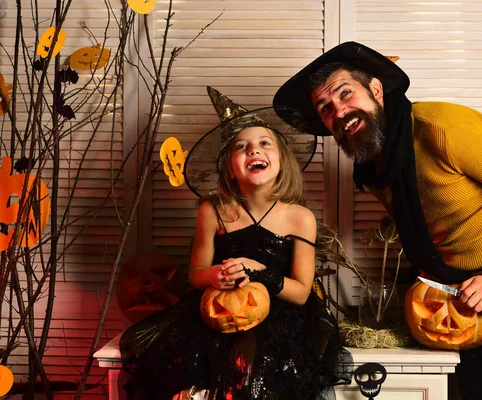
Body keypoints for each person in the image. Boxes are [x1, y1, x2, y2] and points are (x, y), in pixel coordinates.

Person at [273, 41, 482, 400]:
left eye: (345, 93)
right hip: (458, 291)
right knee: (477, 393)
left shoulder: (443, 128)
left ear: (376, 90)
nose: (339, 111)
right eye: (326, 108)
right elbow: (423, 220)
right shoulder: (373, 160)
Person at [120, 86, 351, 400]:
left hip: (280, 314)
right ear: (229, 166)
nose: (254, 151)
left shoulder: (299, 217)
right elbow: (195, 273)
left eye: (264, 144)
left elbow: (300, 292)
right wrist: (214, 275)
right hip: (221, 306)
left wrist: (258, 273)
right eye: (242, 147)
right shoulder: (213, 210)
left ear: (282, 160)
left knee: (258, 366)